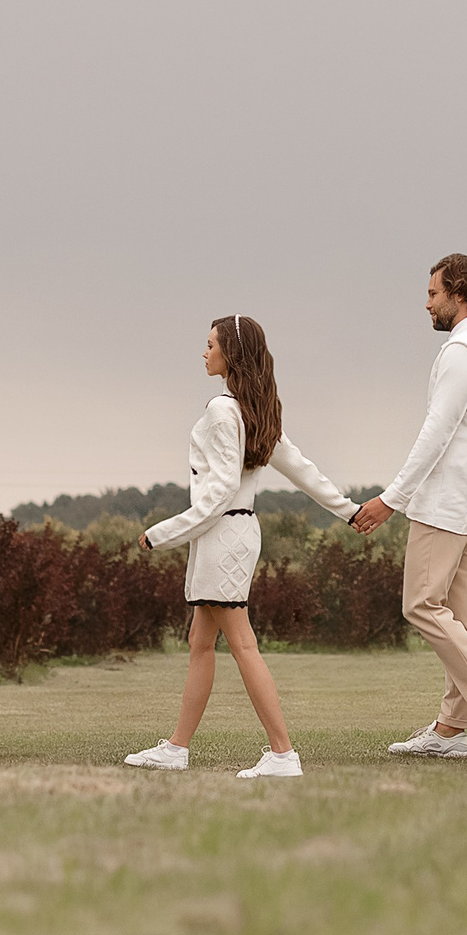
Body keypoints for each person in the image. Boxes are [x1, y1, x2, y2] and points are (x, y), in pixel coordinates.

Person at [124, 315, 360, 778]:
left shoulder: (223, 410)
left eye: (210, 344)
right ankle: (177, 747)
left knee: (243, 645)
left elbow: (218, 493)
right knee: (200, 643)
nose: (204, 351)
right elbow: (304, 470)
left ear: (230, 353)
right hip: (231, 534)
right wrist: (349, 510)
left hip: (222, 536)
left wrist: (162, 533)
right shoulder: (255, 410)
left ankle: (282, 754)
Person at [353, 253, 467, 766]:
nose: (427, 303)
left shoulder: (462, 350)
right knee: (461, 619)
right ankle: (452, 730)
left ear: (458, 293)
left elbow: (435, 432)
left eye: (433, 293)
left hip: (443, 507)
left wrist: (392, 499)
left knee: (421, 606)